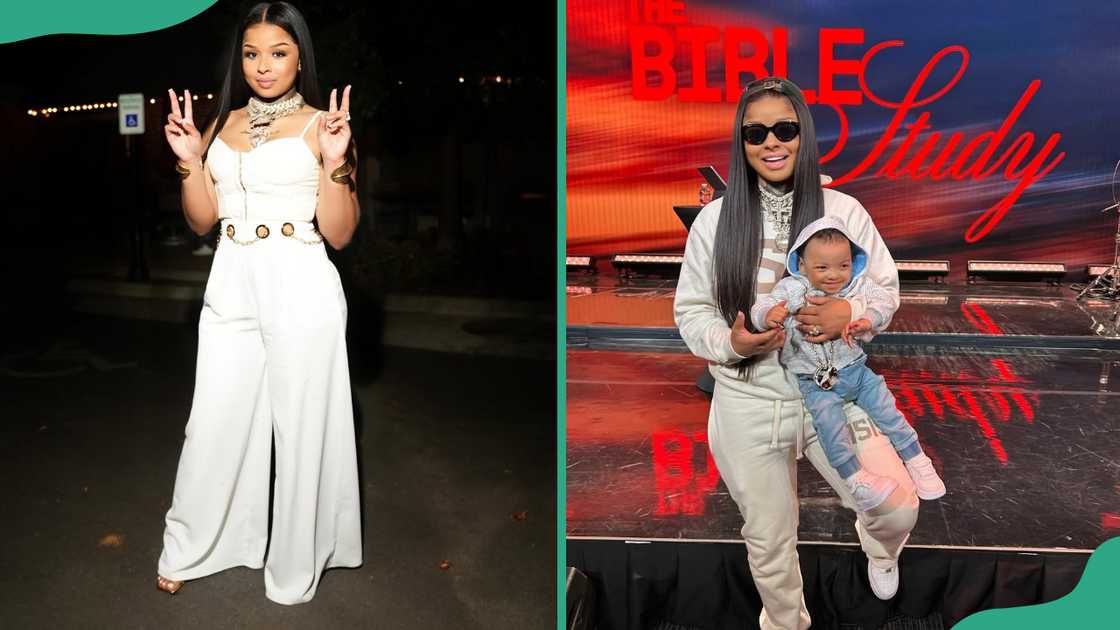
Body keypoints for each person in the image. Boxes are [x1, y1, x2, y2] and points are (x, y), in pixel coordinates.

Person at [673, 76, 919, 628]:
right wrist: (731, 343)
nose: (771, 141)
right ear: (741, 141)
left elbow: (885, 288)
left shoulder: (843, 210)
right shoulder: (716, 220)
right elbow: (692, 312)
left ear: (803, 134)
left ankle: (880, 549)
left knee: (897, 507)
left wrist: (849, 313)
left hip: (831, 391)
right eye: (755, 132)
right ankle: (785, 624)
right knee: (769, 541)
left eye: (784, 128)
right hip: (746, 399)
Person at [155, 1, 363, 605]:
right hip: (231, 279)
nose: (263, 65)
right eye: (251, 53)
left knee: (301, 427)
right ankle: (196, 545)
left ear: (299, 58)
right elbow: (202, 221)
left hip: (300, 278)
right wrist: (190, 162)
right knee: (212, 418)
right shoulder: (222, 123)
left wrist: (336, 162)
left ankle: (295, 562)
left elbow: (341, 233)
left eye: (278, 52)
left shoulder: (323, 124)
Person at [751, 218, 946, 512]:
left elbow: (885, 301)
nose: (834, 275)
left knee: (890, 414)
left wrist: (867, 318)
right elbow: (761, 307)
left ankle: (917, 459)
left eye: (843, 265)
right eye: (822, 267)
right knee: (831, 429)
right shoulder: (791, 288)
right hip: (815, 383)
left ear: (852, 262)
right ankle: (856, 480)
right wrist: (768, 315)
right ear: (802, 265)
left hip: (858, 373)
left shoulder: (859, 285)